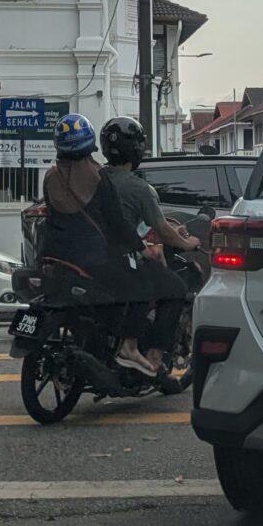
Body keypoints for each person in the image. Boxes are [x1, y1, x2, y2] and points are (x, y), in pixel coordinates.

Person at [36, 112, 160, 377]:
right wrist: (140, 247)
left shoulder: (50, 176)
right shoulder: (98, 176)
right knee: (144, 285)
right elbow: (116, 222)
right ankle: (129, 346)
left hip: (56, 257)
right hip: (93, 258)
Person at [98, 115, 198, 373]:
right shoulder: (138, 188)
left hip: (92, 259)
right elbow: (161, 229)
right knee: (175, 289)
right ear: (137, 149)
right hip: (121, 261)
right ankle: (152, 356)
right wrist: (187, 244)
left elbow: (137, 226)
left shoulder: (96, 180)